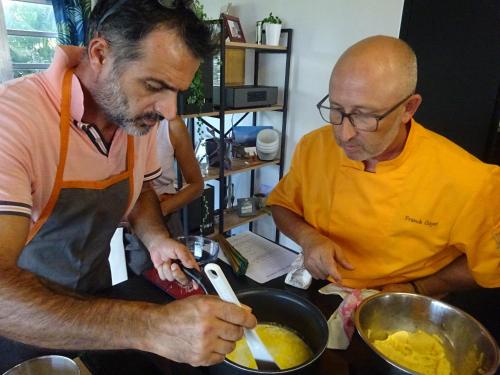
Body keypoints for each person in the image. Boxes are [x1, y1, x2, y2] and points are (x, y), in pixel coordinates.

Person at [0, 0, 255, 371]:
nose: (169, 111)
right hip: (25, 320)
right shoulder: (15, 121)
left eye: (177, 92)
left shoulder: (136, 116)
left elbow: (142, 193)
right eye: (154, 85)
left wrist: (156, 240)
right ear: (101, 53)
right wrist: (149, 326)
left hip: (100, 298)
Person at [268, 36, 499, 297]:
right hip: (321, 288)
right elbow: (281, 205)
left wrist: (418, 287)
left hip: (403, 305)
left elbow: (486, 264)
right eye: (336, 109)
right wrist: (309, 239)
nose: (344, 135)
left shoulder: (470, 181)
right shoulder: (314, 146)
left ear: (408, 109)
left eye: (364, 116)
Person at [125, 115, 204, 274]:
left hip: (165, 222)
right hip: (121, 230)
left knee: (173, 280)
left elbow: (197, 185)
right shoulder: (116, 123)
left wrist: (162, 208)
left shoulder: (171, 125)